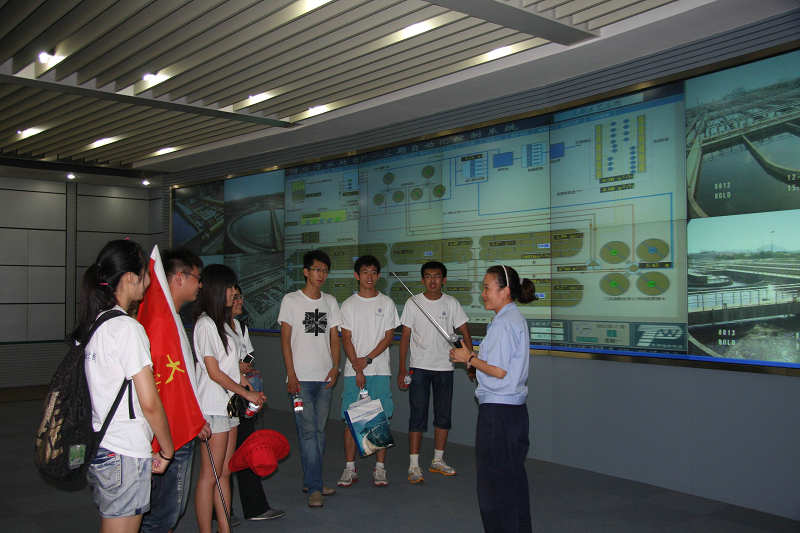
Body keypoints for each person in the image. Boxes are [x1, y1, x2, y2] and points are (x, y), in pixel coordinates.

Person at [78, 239, 174, 533]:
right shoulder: (128, 329)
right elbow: (149, 402)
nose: (148, 282)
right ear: (131, 277)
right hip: (125, 450)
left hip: (104, 443)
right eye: (145, 275)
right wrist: (167, 449)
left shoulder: (97, 323)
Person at [450, 265, 535, 533]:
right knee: (512, 481)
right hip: (512, 413)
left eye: (487, 288)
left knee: (494, 486)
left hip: (498, 415)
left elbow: (499, 371)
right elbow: (500, 366)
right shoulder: (512, 318)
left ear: (505, 290)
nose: (483, 293)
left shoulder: (503, 324)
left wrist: (468, 358)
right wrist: (475, 362)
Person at [140, 248, 212, 533]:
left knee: (166, 509)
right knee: (164, 512)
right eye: (197, 277)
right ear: (179, 278)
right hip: (171, 431)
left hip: (177, 427)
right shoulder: (162, 322)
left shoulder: (172, 318)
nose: (200, 285)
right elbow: (166, 385)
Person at [193, 265, 265, 533]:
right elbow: (214, 373)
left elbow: (232, 367)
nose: (235, 292)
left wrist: (248, 386)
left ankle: (225, 528)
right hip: (213, 407)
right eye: (230, 287)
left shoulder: (223, 325)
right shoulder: (205, 324)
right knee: (209, 475)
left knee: (225, 472)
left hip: (230, 407)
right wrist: (246, 392)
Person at [398, 261, 472, 483]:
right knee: (417, 416)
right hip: (419, 367)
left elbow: (464, 332)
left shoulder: (451, 303)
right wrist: (402, 368)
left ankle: (437, 460)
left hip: (445, 368)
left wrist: (472, 362)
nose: (432, 280)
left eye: (437, 276)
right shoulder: (413, 302)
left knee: (443, 415)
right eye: (428, 276)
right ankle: (413, 465)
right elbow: (405, 337)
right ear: (422, 280)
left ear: (444, 279)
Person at [278, 249, 341, 508]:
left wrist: (336, 367)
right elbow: (285, 341)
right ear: (306, 272)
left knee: (319, 432)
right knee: (307, 432)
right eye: (316, 269)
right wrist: (291, 374)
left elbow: (334, 338)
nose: (321, 275)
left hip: (325, 378)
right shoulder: (291, 300)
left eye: (324, 270)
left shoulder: (331, 301)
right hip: (300, 380)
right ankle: (315, 487)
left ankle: (311, 479)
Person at [337, 255, 400, 488]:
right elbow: (346, 338)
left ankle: (380, 469)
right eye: (365, 272)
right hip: (354, 371)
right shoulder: (348, 305)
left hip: (380, 370)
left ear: (378, 275)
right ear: (357, 275)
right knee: (350, 420)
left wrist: (368, 359)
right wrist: (357, 365)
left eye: (373, 272)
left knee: (379, 419)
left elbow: (388, 337)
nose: (369, 276)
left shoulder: (387, 303)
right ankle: (349, 468)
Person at [231, 284, 286, 521]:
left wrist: (245, 365)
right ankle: (220, 512)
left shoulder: (240, 326)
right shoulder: (210, 326)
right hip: (224, 400)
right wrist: (236, 366)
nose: (239, 301)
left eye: (240, 297)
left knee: (246, 448)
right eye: (234, 297)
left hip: (244, 395)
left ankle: (254, 507)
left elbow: (249, 354)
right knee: (222, 460)